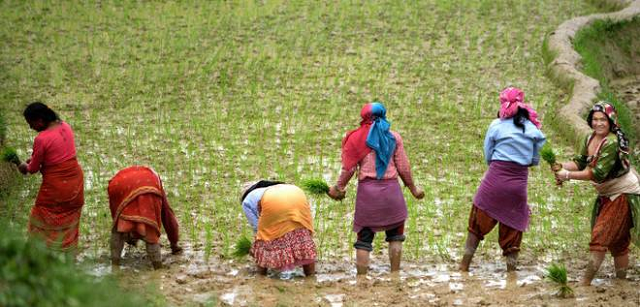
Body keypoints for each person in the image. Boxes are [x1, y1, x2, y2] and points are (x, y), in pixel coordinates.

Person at [327, 102, 424, 275]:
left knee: (364, 239)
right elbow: (403, 167)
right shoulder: (393, 137)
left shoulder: (357, 138)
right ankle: (395, 274)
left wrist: (338, 188)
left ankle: (361, 278)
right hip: (392, 192)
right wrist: (414, 189)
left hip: (368, 194)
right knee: (395, 235)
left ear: (363, 117)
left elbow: (349, 169)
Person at [459, 87, 545, 272]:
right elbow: (534, 160)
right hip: (518, 185)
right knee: (513, 227)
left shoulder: (496, 125)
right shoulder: (533, 129)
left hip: (495, 180)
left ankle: (464, 266)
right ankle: (511, 273)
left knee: (477, 223)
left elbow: (488, 155)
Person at [553, 102, 639, 285]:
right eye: (595, 119)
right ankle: (621, 282)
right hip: (607, 194)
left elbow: (596, 173)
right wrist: (560, 165)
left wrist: (567, 175)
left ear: (611, 122)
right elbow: (580, 162)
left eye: (603, 120)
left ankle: (585, 282)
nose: (598, 123)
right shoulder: (590, 138)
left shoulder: (612, 143)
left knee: (600, 237)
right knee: (618, 242)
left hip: (622, 194)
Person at [17, 102, 85, 252]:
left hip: (56, 188)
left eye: (31, 124)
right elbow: (57, 156)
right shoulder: (65, 126)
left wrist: (24, 166)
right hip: (76, 184)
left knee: (40, 221)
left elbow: (33, 169)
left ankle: (40, 258)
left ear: (40, 121)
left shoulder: (41, 139)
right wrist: (35, 159)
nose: (31, 128)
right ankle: (67, 256)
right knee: (69, 222)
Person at [108, 166, 182, 269]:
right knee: (149, 230)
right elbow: (167, 215)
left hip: (118, 184)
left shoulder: (147, 177)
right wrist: (174, 244)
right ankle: (158, 269)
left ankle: (114, 266)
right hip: (145, 185)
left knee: (120, 227)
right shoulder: (156, 182)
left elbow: (115, 213)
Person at [241, 180, 316, 276]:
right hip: (297, 194)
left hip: (273, 201)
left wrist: (254, 249)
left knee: (262, 242)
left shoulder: (246, 201)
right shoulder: (274, 187)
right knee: (302, 236)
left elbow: (258, 228)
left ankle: (261, 277)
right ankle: (310, 276)